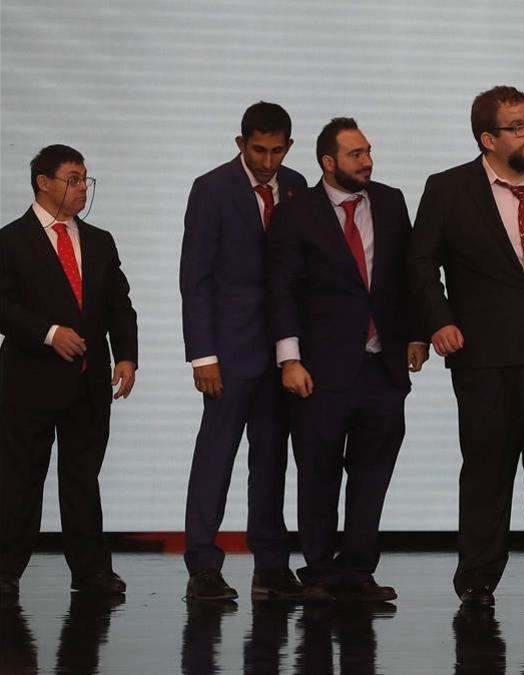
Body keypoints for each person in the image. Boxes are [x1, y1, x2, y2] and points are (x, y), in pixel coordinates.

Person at [410, 86, 524, 608]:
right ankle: (478, 580)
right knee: (488, 470)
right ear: (488, 138)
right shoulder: (449, 189)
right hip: (485, 356)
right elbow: (420, 265)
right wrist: (438, 322)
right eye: (517, 127)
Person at [267, 118, 427, 601]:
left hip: (383, 367)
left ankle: (358, 570)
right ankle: (318, 571)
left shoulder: (392, 201)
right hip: (319, 369)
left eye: (369, 151)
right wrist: (289, 360)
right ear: (328, 162)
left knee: (372, 475)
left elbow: (409, 274)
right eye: (356, 154)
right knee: (317, 474)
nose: (368, 161)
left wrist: (417, 335)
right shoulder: (297, 213)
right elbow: (282, 290)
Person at [179, 101, 308, 601]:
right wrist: (202, 355)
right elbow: (196, 277)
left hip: (282, 351)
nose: (268, 160)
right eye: (259, 149)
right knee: (216, 455)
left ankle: (271, 565)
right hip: (229, 352)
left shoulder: (296, 185)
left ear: (289, 147)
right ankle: (202, 564)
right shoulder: (212, 189)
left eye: (277, 150)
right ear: (241, 144)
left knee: (273, 459)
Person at [0, 144, 138, 598]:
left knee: (82, 478)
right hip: (30, 380)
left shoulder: (100, 240)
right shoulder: (10, 240)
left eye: (85, 179)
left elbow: (120, 305)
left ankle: (91, 572)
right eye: (74, 179)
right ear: (44, 182)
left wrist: (127, 356)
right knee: (21, 478)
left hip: (88, 381)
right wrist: (48, 332)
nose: (83, 188)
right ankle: (5, 571)